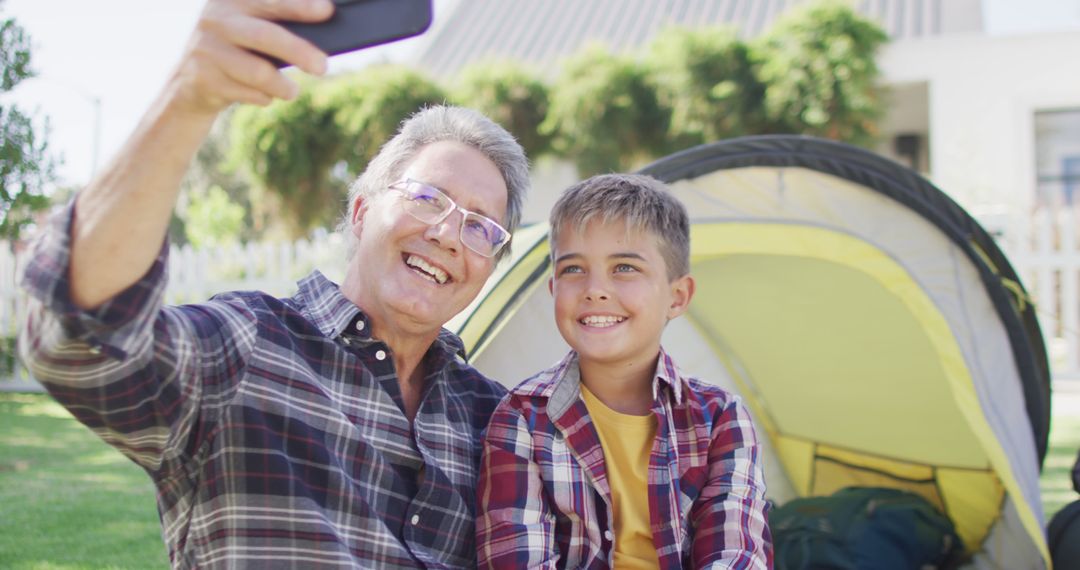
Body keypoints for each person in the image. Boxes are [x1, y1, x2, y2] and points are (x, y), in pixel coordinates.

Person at [18, 0, 529, 568]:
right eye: (428, 198)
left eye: (481, 227)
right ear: (361, 212)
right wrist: (188, 99)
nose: (449, 235)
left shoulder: (497, 421)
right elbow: (82, 339)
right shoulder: (248, 347)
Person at [476, 173, 772, 569]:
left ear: (677, 296)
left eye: (625, 268)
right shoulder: (521, 419)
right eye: (573, 269)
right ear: (553, 291)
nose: (595, 289)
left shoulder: (720, 419)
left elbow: (736, 556)